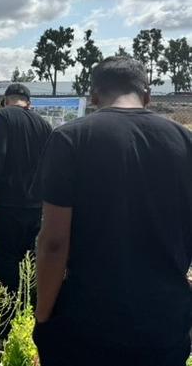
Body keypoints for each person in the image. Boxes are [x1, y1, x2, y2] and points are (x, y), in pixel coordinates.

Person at [31, 56, 192, 366]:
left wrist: (43, 317)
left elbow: (52, 242)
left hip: (87, 323)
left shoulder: (70, 138)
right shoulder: (185, 142)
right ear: (147, 94)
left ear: (93, 96)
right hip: (163, 323)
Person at [0, 83, 52, 292]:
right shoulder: (44, 124)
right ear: (29, 103)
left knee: (3, 254)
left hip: (8, 201)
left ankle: (14, 298)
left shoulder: (2, 117)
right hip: (35, 203)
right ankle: (29, 295)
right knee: (27, 252)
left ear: (6, 99)